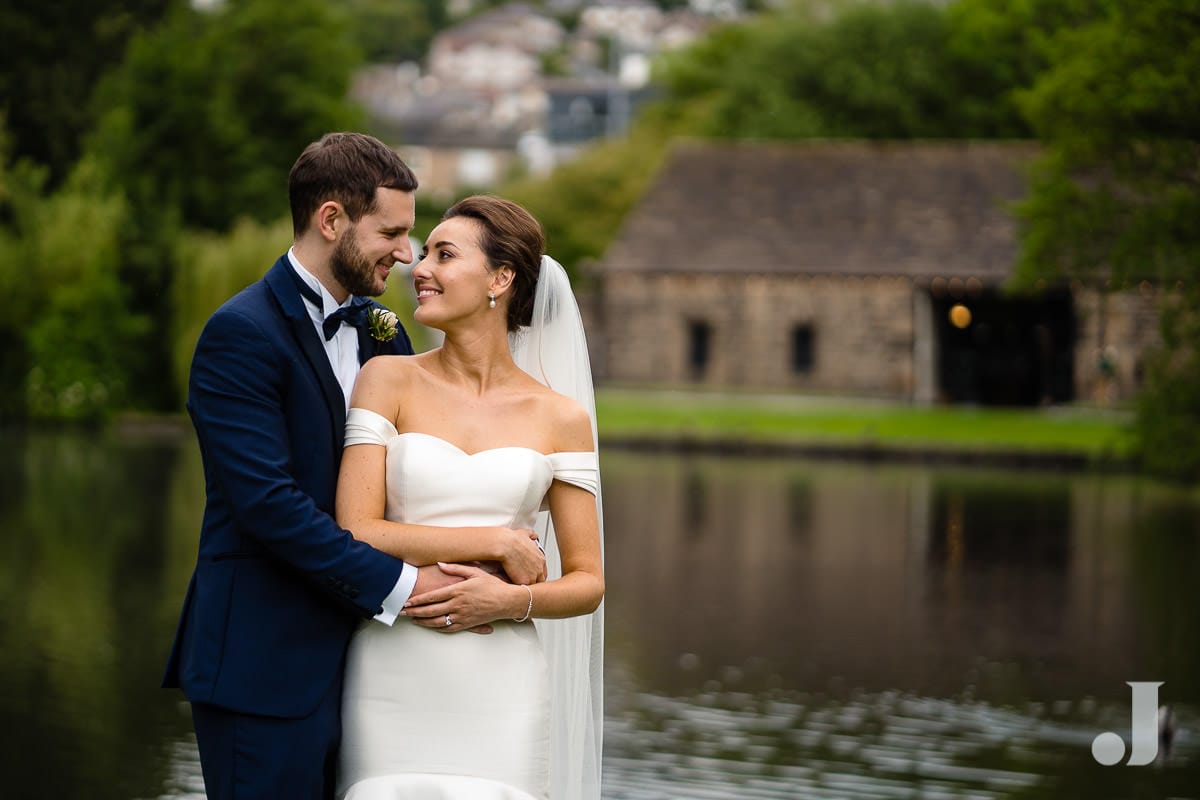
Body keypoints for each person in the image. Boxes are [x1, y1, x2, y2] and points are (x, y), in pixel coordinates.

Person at [161, 134, 547, 799]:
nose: (408, 254)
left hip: (381, 669)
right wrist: (409, 585)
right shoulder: (240, 334)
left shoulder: (383, 330)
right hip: (267, 662)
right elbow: (270, 508)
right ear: (331, 220)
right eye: (393, 232)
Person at [332, 195, 606, 800]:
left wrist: (510, 601)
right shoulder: (387, 378)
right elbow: (356, 530)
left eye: (444, 255)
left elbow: (588, 582)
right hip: (394, 666)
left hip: (502, 681)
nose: (419, 268)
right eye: (423, 253)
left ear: (500, 279)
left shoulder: (560, 417)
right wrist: (495, 542)